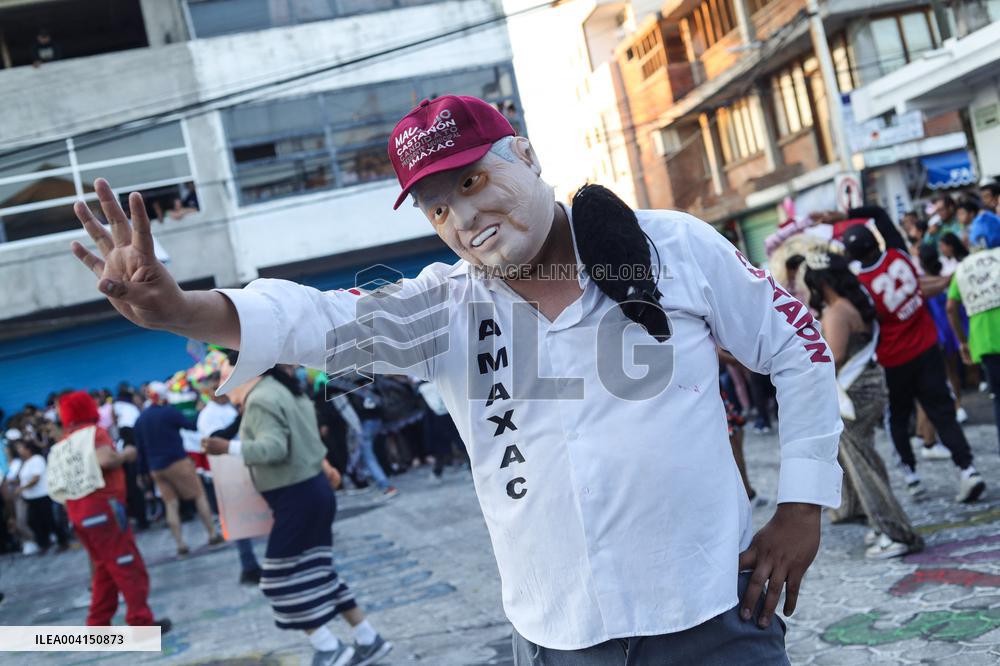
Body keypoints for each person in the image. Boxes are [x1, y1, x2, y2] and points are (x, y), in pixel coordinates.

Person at [72, 95, 846, 664]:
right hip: (559, 635)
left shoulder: (670, 248)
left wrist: (802, 506)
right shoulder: (442, 311)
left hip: (711, 613)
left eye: (472, 183)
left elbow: (798, 346)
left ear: (527, 156)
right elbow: (317, 320)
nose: (462, 218)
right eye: (438, 209)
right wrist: (182, 309)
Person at [202, 360, 392, 666]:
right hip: (312, 492)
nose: (220, 385)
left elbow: (273, 449)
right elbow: (308, 437)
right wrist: (324, 464)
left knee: (276, 581)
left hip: (296, 498)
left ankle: (329, 647)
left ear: (245, 372)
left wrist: (227, 448)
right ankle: (368, 639)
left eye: (224, 375)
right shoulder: (283, 389)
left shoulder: (261, 399)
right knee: (320, 572)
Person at [842, 224, 984, 502]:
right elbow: (919, 288)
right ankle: (967, 468)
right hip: (926, 345)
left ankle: (910, 475)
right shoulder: (898, 256)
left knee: (898, 416)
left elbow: (866, 325)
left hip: (893, 358)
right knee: (942, 409)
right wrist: (944, 282)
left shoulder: (861, 285)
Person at [803, 251, 923, 559]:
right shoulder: (853, 304)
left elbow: (832, 358)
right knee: (866, 458)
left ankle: (894, 531)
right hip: (868, 387)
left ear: (822, 283)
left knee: (862, 464)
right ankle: (879, 521)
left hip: (853, 395)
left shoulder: (836, 312)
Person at [55, 391, 171, 631]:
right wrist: (126, 454)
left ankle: (97, 624)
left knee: (104, 568)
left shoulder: (64, 442)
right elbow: (106, 460)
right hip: (102, 507)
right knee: (127, 564)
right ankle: (141, 622)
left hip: (78, 512)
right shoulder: (93, 433)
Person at [132, 381, 221, 555]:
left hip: (156, 468)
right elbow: (191, 425)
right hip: (178, 462)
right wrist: (200, 410)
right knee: (199, 496)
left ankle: (180, 544)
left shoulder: (141, 419)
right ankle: (212, 534)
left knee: (170, 504)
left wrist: (141, 473)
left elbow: (140, 449)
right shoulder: (169, 412)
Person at [196, 373, 263, 584]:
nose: (221, 391)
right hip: (229, 471)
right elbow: (216, 440)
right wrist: (239, 418)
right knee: (240, 521)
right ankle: (249, 566)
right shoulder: (207, 415)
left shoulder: (232, 406)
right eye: (215, 387)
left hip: (251, 462)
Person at [947, 242, 1000, 454]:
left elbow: (950, 307)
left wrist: (962, 341)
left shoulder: (962, 269)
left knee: (998, 398)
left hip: (985, 341)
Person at [15, 439, 69, 553]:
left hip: (42, 495)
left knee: (49, 519)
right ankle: (44, 544)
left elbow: (36, 478)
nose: (19, 450)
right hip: (30, 498)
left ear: (28, 449)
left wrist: (22, 488)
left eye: (21, 448)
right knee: (35, 521)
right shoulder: (25, 462)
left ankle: (62, 541)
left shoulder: (37, 459)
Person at [113, 389, 148, 530]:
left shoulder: (125, 417)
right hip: (133, 460)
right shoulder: (130, 411)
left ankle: (142, 520)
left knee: (135, 491)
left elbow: (130, 446)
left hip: (132, 463)